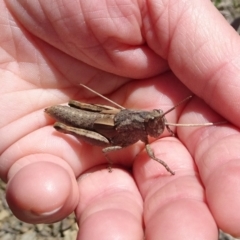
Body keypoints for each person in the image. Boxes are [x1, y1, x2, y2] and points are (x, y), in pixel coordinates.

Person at [1, 0, 240, 239]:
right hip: (98, 127)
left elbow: (156, 122)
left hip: (113, 119)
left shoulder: (145, 119)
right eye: (153, 122)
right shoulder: (137, 130)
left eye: (156, 120)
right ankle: (63, 126)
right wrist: (119, 163)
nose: (157, 123)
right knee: (84, 134)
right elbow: (111, 150)